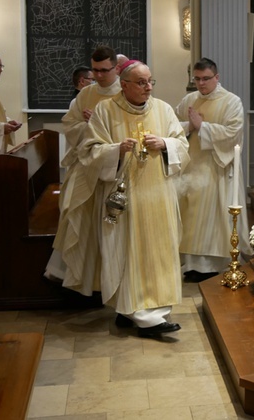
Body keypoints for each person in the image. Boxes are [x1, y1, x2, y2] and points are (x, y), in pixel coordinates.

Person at [67, 61, 190, 337]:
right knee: (127, 252)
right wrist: (116, 151)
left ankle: (138, 312)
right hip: (125, 199)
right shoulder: (105, 111)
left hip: (159, 197)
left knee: (158, 253)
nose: (148, 87)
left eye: (150, 81)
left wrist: (166, 144)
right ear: (124, 85)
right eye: (141, 82)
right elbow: (89, 152)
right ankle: (142, 316)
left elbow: (182, 144)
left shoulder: (163, 109)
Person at [46, 45, 122, 282]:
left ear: (116, 68)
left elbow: (127, 132)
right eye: (95, 70)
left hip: (112, 169)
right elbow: (70, 124)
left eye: (104, 71)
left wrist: (97, 123)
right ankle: (77, 275)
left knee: (106, 226)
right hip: (86, 166)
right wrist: (88, 125)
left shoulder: (125, 93)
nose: (98, 76)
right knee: (74, 212)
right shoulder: (86, 94)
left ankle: (104, 278)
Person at [175, 58, 248, 282]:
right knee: (190, 214)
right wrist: (190, 125)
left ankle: (213, 264)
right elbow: (172, 126)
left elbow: (233, 133)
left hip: (218, 166)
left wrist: (202, 126)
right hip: (192, 165)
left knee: (213, 216)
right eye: (197, 79)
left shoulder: (231, 101)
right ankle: (191, 264)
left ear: (217, 77)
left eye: (206, 78)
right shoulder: (189, 99)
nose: (201, 83)